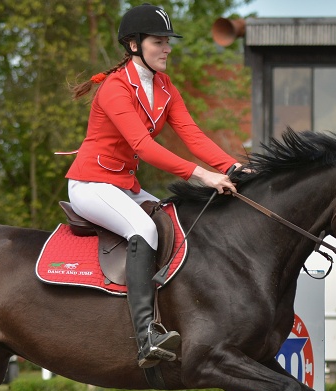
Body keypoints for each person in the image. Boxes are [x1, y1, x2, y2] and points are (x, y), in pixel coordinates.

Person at [65, 4, 241, 369]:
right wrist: (203, 175)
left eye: (167, 42)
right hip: (90, 184)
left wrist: (233, 166)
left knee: (174, 224)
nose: (167, 49)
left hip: (123, 185)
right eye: (159, 42)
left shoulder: (164, 87)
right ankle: (145, 335)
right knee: (144, 229)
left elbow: (192, 134)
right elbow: (144, 148)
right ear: (133, 45)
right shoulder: (114, 88)